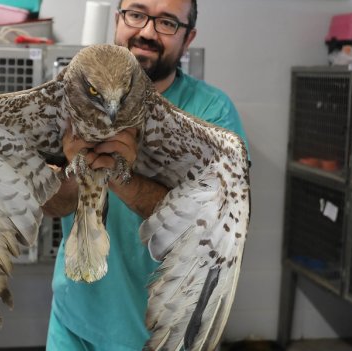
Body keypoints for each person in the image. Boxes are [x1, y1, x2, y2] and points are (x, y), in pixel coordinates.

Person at [42, 0, 249, 349]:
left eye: (167, 22)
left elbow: (208, 228)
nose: (147, 32)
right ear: (118, 19)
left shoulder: (211, 113)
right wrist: (79, 169)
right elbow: (52, 205)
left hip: (162, 332)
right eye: (136, 14)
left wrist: (120, 173)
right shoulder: (68, 95)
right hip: (76, 321)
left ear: (189, 37)